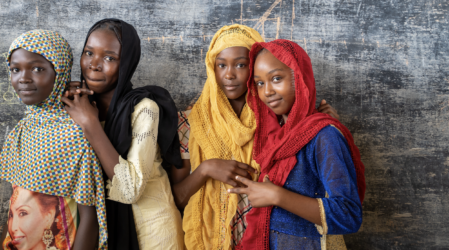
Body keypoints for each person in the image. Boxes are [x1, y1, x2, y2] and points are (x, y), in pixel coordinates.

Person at [171, 25, 341, 249]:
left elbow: (316, 181)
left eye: (241, 64)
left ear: (256, 66)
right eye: (221, 65)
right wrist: (206, 169)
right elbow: (176, 200)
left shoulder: (279, 119)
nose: (229, 74)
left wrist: (326, 126)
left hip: (269, 239)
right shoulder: (190, 123)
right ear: (212, 68)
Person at [228, 39, 366, 250]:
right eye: (259, 83)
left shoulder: (324, 136)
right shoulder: (275, 138)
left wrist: (276, 195)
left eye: (276, 78)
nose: (267, 92)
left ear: (299, 78)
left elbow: (348, 214)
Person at [61, 19, 184, 250]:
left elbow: (130, 190)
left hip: (153, 232)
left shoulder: (144, 108)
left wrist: (91, 124)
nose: (94, 65)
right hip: (103, 232)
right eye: (89, 53)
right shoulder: (77, 106)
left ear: (127, 63)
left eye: (109, 58)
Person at [0, 30, 107, 250]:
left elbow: (90, 217)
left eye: (37, 69)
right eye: (15, 70)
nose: (23, 78)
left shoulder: (75, 133)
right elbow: (17, 201)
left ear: (60, 73)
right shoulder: (24, 128)